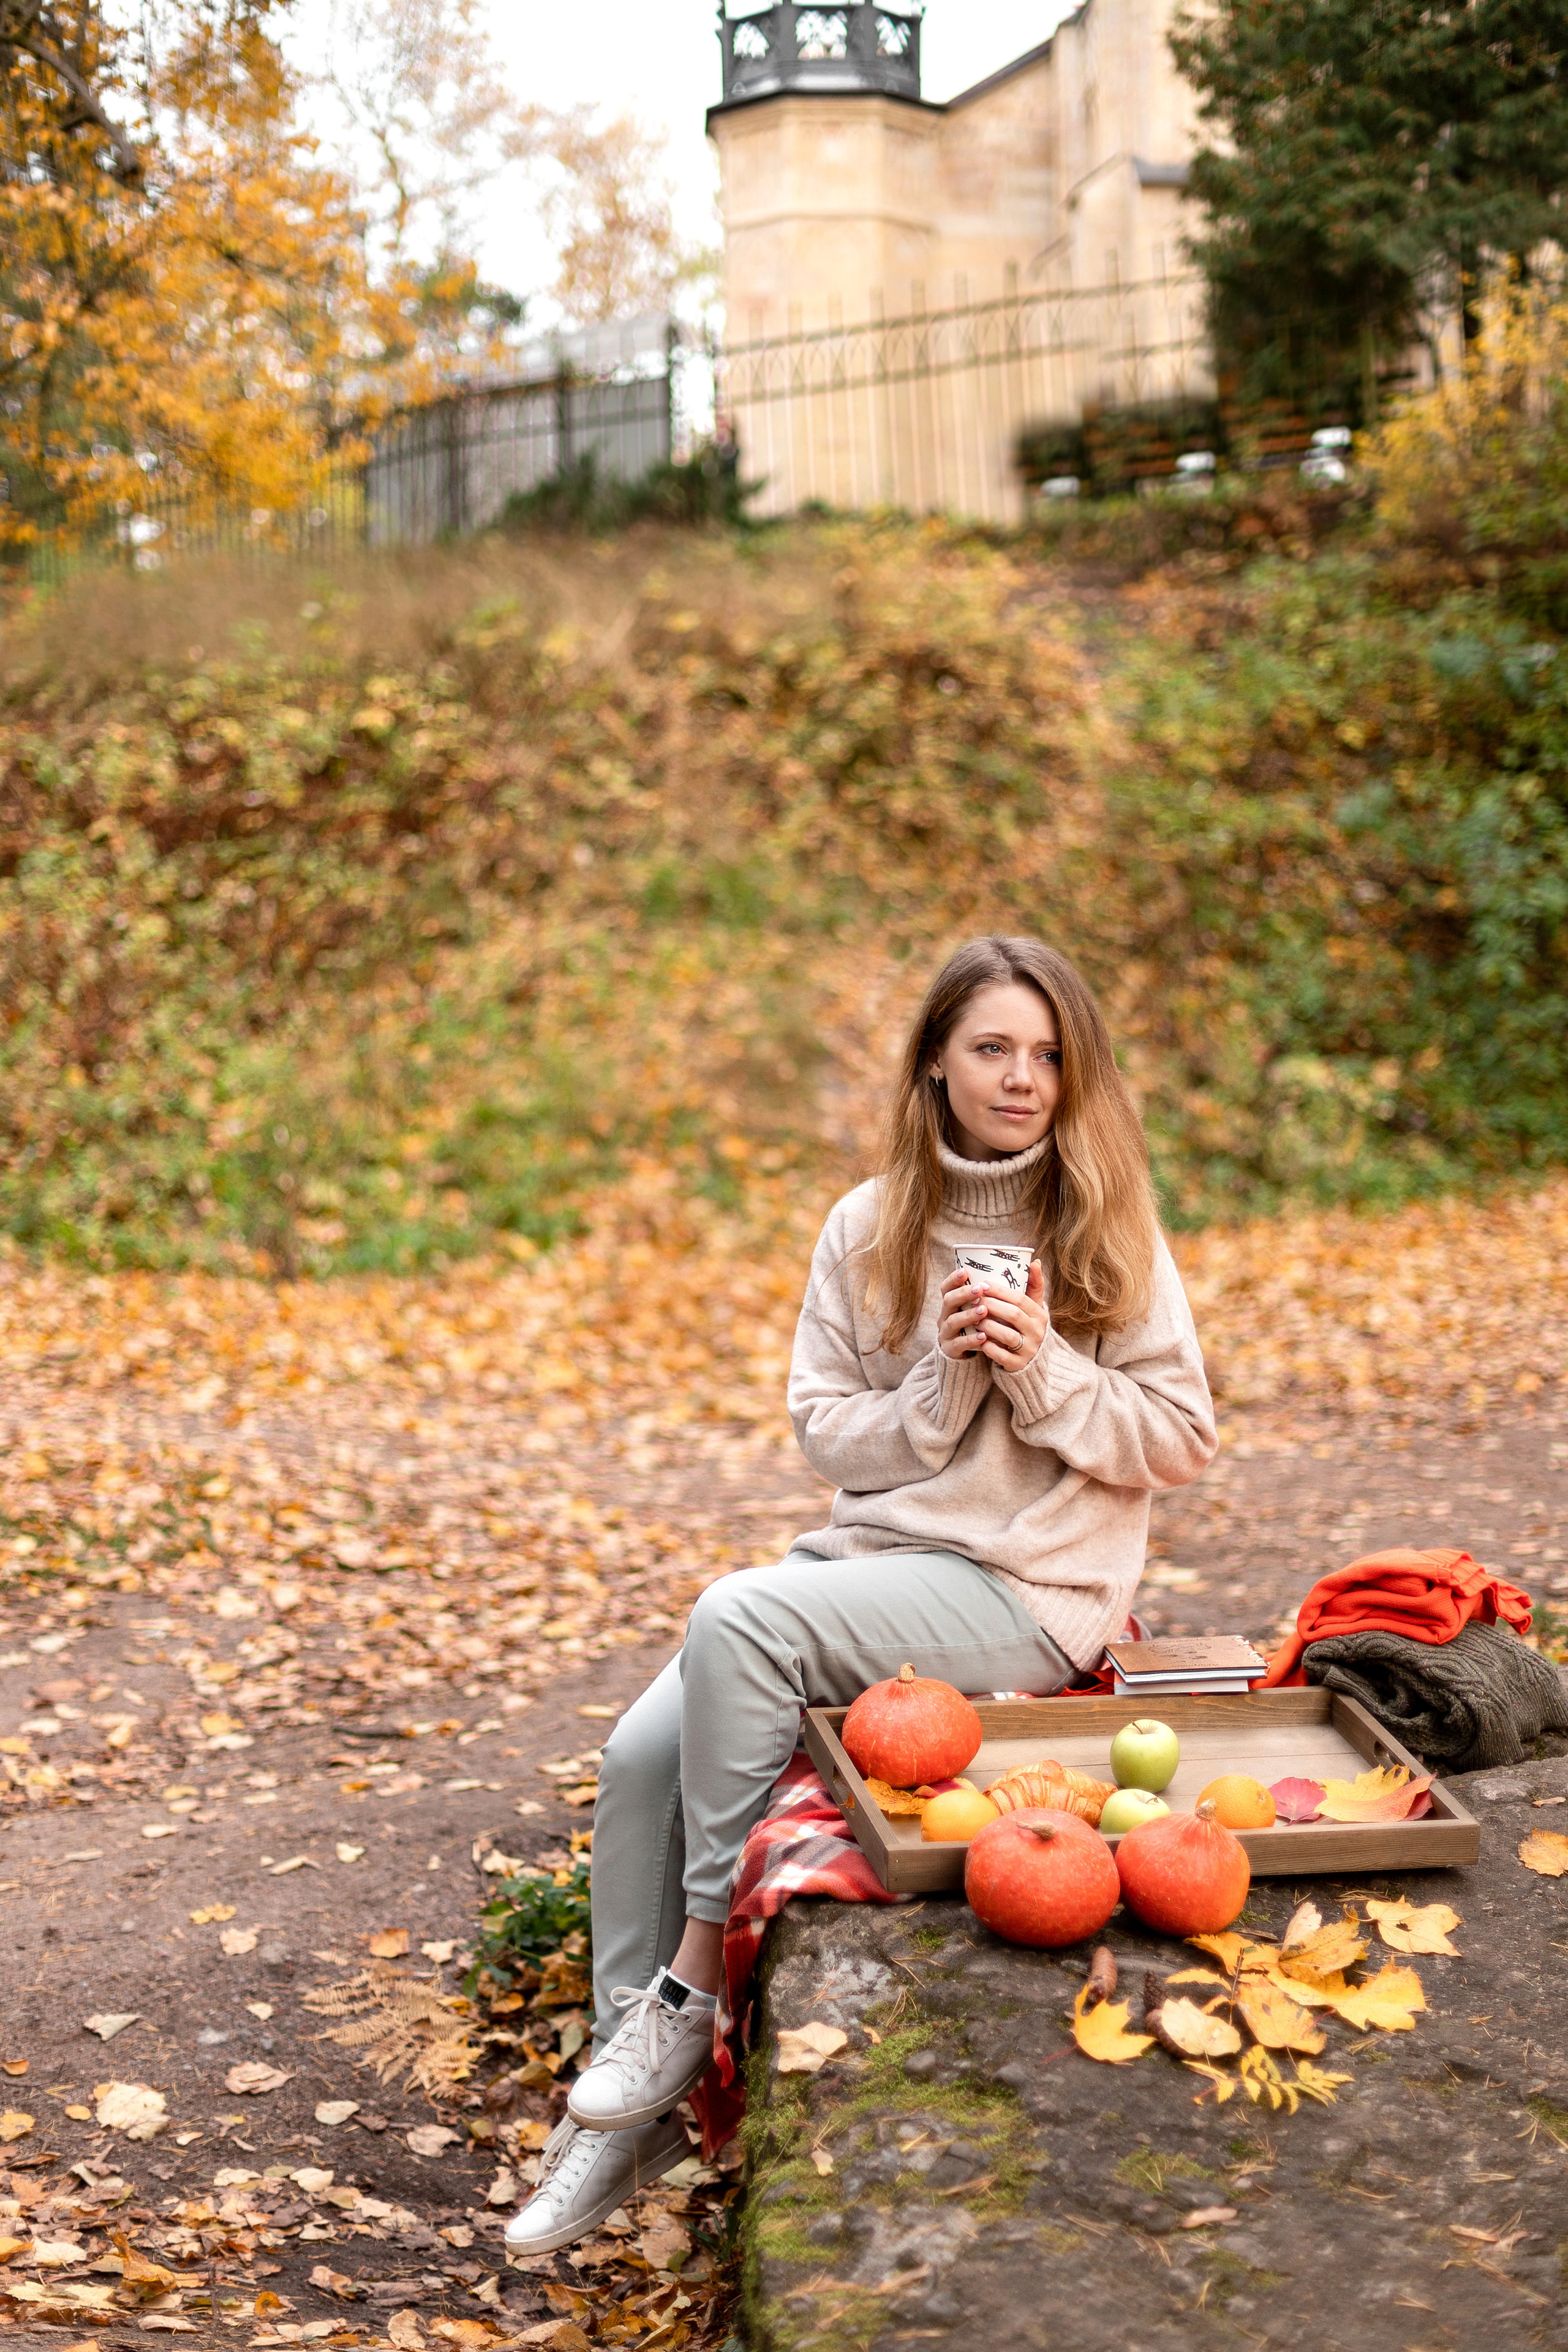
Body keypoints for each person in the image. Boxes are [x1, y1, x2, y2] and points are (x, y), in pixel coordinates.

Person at [506, 935, 1217, 2252]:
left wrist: (1048, 1372)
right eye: (992, 1049)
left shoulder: (1104, 1225)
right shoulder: (868, 1224)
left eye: (1048, 1055)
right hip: (869, 1570)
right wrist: (941, 1384)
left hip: (1022, 1593)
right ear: (936, 1063)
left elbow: (1178, 1441)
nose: (1021, 1078)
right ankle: (622, 2103)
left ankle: (691, 1982)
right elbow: (828, 1437)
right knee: (637, 1758)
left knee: (735, 1613)